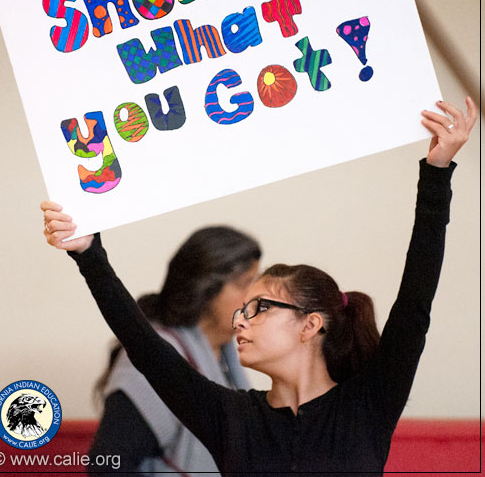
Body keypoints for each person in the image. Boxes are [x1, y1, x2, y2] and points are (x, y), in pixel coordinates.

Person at [42, 98, 476, 476]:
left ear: (310, 325)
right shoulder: (230, 417)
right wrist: (88, 254)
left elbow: (417, 298)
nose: (240, 320)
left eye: (259, 307)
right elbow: (143, 345)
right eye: (241, 308)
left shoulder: (367, 405)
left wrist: (437, 172)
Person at [54, 225, 260, 476]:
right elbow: (107, 466)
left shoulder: (225, 353)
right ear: (207, 288)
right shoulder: (156, 356)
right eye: (244, 284)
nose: (255, 298)